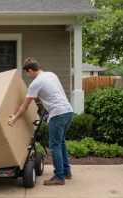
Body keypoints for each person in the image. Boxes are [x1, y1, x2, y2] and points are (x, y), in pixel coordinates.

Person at [8, 58, 74, 186]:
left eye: (27, 73)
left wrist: (14, 117)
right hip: (68, 111)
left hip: (57, 114)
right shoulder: (51, 74)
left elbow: (25, 105)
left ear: (31, 70)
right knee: (61, 143)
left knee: (55, 147)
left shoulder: (36, 83)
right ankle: (66, 172)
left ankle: (59, 177)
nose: (28, 75)